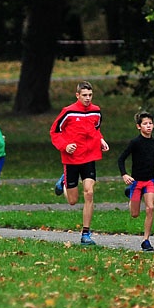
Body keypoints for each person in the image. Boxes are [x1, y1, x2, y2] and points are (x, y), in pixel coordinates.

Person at [50, 81, 109, 245]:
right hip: (71, 159)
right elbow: (55, 132)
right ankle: (63, 181)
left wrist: (101, 140)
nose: (88, 98)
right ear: (77, 95)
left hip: (90, 156)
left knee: (89, 193)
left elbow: (95, 129)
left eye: (90, 95)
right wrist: (65, 146)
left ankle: (86, 234)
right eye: (84, 95)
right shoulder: (68, 112)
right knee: (73, 201)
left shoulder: (96, 111)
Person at [116, 111, 154, 252]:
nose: (148, 126)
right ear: (138, 126)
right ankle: (130, 194)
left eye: (150, 123)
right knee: (135, 214)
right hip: (136, 182)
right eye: (145, 124)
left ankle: (146, 240)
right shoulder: (135, 143)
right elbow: (121, 159)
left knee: (150, 208)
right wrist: (124, 175)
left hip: (149, 181)